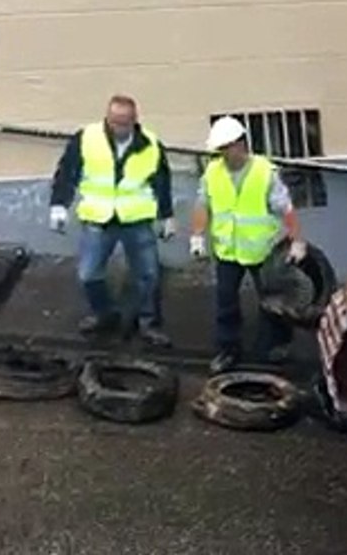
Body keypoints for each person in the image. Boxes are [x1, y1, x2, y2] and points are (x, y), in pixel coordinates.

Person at [48, 94, 175, 346]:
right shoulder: (86, 138)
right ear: (107, 118)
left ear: (134, 121)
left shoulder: (150, 144)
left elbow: (161, 181)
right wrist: (59, 205)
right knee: (88, 274)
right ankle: (105, 313)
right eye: (114, 121)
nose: (118, 127)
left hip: (136, 219)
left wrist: (166, 216)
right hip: (99, 219)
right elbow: (67, 172)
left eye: (124, 122)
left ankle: (147, 323)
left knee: (148, 275)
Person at [190, 116, 309, 374]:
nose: (223, 154)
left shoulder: (264, 172)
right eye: (219, 149)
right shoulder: (213, 172)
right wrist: (197, 236)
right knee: (226, 302)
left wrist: (297, 241)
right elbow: (203, 204)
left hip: (262, 249)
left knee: (273, 300)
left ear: (241, 143)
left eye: (226, 147)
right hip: (227, 249)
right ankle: (228, 349)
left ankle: (276, 345)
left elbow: (285, 208)